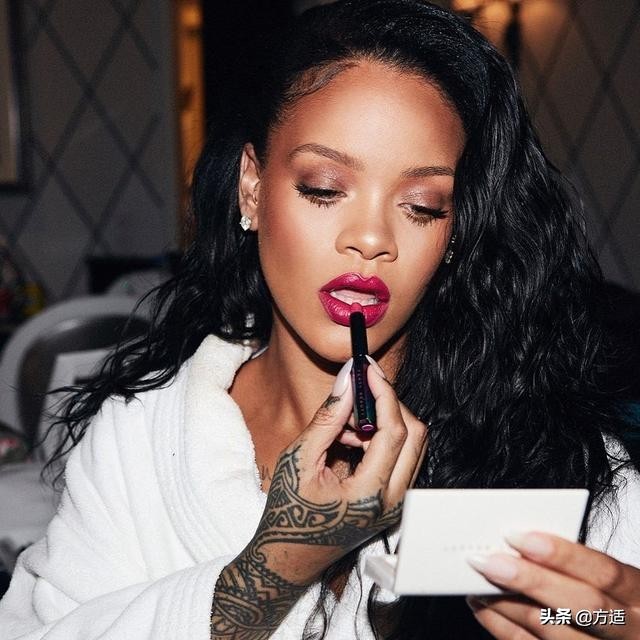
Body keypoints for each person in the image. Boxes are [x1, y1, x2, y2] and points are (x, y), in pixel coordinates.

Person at [1, 1, 639, 638]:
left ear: (456, 232)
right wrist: (278, 563)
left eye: (422, 206)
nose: (371, 238)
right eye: (324, 188)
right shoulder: (138, 439)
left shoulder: (556, 456)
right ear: (252, 187)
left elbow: (598, 611)